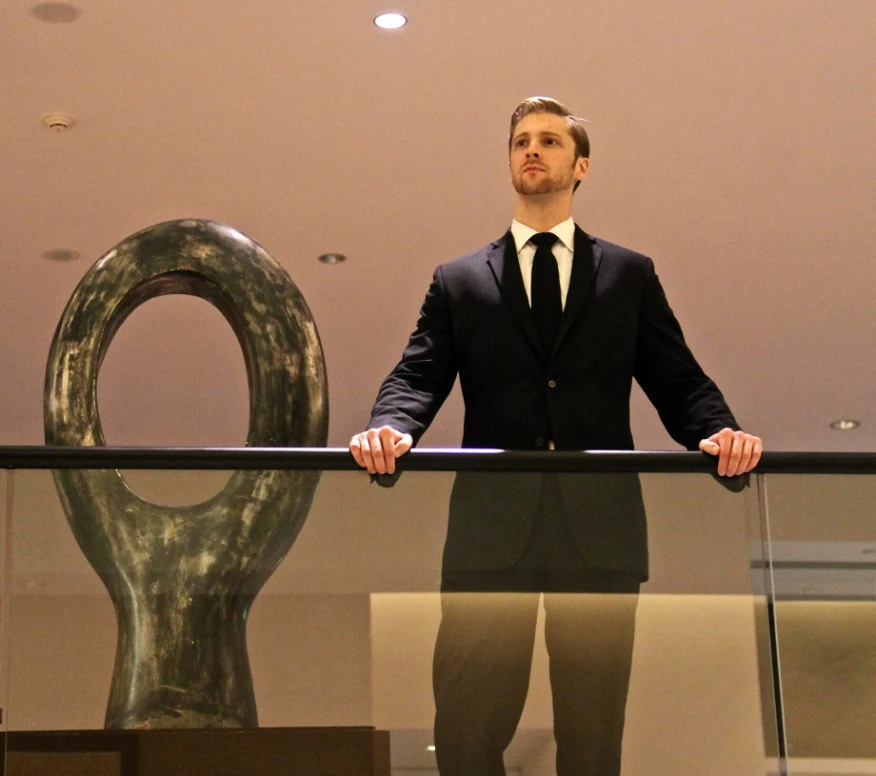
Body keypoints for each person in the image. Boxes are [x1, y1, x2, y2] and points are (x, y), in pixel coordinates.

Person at [349, 96, 762, 776]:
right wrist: (388, 429)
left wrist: (720, 433)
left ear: (582, 166)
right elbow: (417, 374)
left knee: (594, 736)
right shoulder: (458, 280)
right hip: (490, 533)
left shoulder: (629, 275)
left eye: (547, 141)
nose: (530, 150)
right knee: (467, 726)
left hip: (598, 532)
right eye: (519, 142)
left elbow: (678, 379)